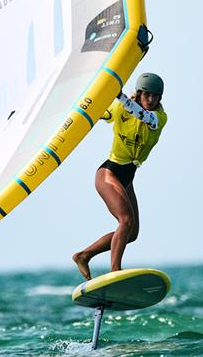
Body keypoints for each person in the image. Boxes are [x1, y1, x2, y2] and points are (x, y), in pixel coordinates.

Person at [72, 73, 168, 280]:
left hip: (128, 179)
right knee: (125, 220)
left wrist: (119, 96)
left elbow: (142, 116)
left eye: (155, 96)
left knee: (131, 233)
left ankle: (84, 255)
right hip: (109, 173)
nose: (151, 100)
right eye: (147, 95)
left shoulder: (159, 118)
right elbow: (98, 113)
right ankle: (115, 272)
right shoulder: (120, 108)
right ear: (140, 94)